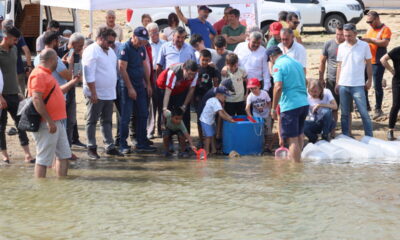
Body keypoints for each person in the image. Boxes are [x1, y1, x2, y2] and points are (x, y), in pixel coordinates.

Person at [29, 49, 81, 178]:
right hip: (47, 123)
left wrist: (73, 82)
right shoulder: (39, 74)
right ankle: (41, 190)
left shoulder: (47, 74)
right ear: (52, 60)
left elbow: (57, 91)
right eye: (57, 61)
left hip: (57, 121)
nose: (58, 64)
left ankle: (61, 186)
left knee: (64, 154)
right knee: (43, 159)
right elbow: (36, 99)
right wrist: (49, 121)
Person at [82, 27, 123, 159]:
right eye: (109, 42)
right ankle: (91, 147)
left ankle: (109, 146)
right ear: (100, 38)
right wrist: (93, 92)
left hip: (109, 92)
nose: (111, 45)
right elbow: (89, 73)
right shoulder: (92, 50)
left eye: (113, 42)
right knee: (92, 120)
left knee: (107, 120)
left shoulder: (110, 51)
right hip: (96, 92)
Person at [0, 26, 35, 164]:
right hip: (2, 95)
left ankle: (27, 155)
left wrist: (19, 91)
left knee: (21, 123)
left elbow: (13, 72)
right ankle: (5, 155)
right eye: (14, 40)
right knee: (1, 127)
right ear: (6, 37)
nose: (16, 42)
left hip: (14, 94)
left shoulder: (14, 49)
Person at [118, 26, 156, 153]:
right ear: (133, 36)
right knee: (126, 116)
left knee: (143, 113)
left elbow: (144, 66)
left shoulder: (141, 48)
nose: (141, 43)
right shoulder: (125, 48)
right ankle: (122, 144)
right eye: (140, 40)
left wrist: (148, 84)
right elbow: (122, 68)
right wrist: (130, 88)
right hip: (127, 86)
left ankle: (141, 142)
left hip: (140, 85)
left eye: (144, 40)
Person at [268, 46, 308, 162]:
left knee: (292, 139)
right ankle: (299, 163)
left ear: (271, 57)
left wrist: (274, 108)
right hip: (303, 103)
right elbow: (305, 81)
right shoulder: (296, 63)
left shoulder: (278, 66)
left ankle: (294, 170)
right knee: (300, 135)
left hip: (290, 105)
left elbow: (278, 87)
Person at [336, 23, 373, 137]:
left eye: (349, 36)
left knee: (363, 113)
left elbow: (369, 64)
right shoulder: (341, 46)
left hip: (358, 84)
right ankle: (346, 135)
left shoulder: (364, 46)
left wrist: (370, 79)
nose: (346, 38)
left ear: (356, 34)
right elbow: (339, 66)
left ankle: (369, 136)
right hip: (343, 84)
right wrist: (337, 83)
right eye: (345, 35)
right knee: (344, 114)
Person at [361, 11, 391, 119]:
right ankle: (366, 106)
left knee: (377, 85)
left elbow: (385, 43)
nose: (369, 24)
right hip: (367, 61)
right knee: (362, 83)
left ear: (377, 19)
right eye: (368, 22)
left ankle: (378, 108)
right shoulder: (370, 29)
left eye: (371, 21)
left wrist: (370, 40)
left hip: (378, 61)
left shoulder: (385, 29)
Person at [157, 60, 199, 133]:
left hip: (179, 89)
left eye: (193, 74)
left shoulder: (196, 73)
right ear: (184, 69)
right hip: (163, 88)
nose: (191, 76)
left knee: (181, 111)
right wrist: (164, 108)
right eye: (189, 74)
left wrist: (184, 105)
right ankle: (166, 135)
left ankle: (183, 134)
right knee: (168, 112)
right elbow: (168, 91)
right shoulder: (173, 72)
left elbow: (191, 90)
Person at [319, 24, 345, 126]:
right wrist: (321, 78)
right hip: (331, 79)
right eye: (338, 34)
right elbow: (322, 62)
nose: (339, 37)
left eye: (342, 35)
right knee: (332, 106)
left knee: (346, 108)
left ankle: (346, 129)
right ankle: (333, 127)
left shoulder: (348, 45)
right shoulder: (328, 44)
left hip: (346, 80)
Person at [200, 86, 234, 155]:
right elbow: (221, 114)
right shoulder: (216, 102)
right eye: (224, 97)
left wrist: (229, 116)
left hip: (210, 120)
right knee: (208, 136)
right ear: (218, 95)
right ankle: (206, 152)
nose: (225, 99)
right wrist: (229, 120)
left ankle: (213, 150)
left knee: (212, 134)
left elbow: (222, 110)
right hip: (205, 121)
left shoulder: (214, 100)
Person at [2, 19, 32, 96]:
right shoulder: (16, 37)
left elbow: (27, 51)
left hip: (12, 78)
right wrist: (29, 66)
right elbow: (27, 51)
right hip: (5, 90)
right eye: (15, 40)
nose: (16, 42)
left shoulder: (14, 46)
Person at [195, 49, 219, 140]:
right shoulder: (196, 68)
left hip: (209, 96)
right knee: (199, 119)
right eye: (203, 60)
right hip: (198, 97)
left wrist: (216, 95)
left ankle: (211, 138)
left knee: (210, 117)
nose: (205, 62)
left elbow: (216, 81)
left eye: (207, 60)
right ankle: (201, 139)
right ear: (199, 59)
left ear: (210, 60)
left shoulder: (212, 69)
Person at [147, 22, 166, 137]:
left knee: (162, 102)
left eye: (157, 31)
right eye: (152, 32)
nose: (155, 34)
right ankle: (150, 129)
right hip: (152, 75)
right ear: (148, 33)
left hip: (163, 74)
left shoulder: (164, 44)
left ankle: (161, 129)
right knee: (152, 104)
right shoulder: (146, 45)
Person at [245, 78, 272, 151]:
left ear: (259, 86)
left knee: (268, 130)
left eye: (255, 88)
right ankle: (259, 145)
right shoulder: (250, 96)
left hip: (266, 113)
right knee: (259, 130)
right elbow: (247, 107)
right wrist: (250, 116)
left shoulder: (264, 93)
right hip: (256, 115)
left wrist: (270, 110)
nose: (253, 90)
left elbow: (269, 102)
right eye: (251, 89)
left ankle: (268, 146)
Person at [380, 46, 400, 140]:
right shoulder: (397, 50)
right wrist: (392, 70)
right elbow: (383, 59)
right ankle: (390, 130)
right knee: (396, 105)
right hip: (398, 81)